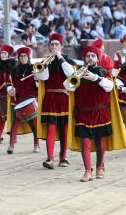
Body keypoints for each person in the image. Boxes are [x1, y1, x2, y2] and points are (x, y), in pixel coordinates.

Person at [64, 45, 126, 181]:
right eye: (88, 56)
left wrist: (95, 78)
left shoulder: (103, 72)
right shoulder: (78, 72)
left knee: (99, 142)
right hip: (83, 113)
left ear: (98, 58)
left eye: (93, 56)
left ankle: (99, 167)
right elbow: (67, 86)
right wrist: (76, 75)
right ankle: (88, 171)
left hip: (100, 112)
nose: (90, 58)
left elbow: (110, 87)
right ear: (84, 58)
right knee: (85, 143)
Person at [36, 33, 76, 169]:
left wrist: (59, 57)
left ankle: (63, 157)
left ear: (61, 46)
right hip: (50, 99)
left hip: (64, 99)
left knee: (64, 130)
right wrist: (45, 64)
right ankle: (50, 158)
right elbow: (44, 78)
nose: (54, 47)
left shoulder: (67, 61)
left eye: (56, 44)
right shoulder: (45, 61)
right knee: (51, 129)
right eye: (52, 44)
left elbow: (71, 74)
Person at [7, 47, 40, 154]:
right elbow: (11, 84)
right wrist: (11, 89)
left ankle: (36, 144)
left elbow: (39, 85)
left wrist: (36, 78)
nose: (23, 58)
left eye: (25, 56)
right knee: (15, 123)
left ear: (28, 57)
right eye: (21, 56)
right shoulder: (14, 70)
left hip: (32, 100)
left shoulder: (34, 69)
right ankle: (11, 145)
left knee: (34, 124)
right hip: (20, 100)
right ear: (18, 57)